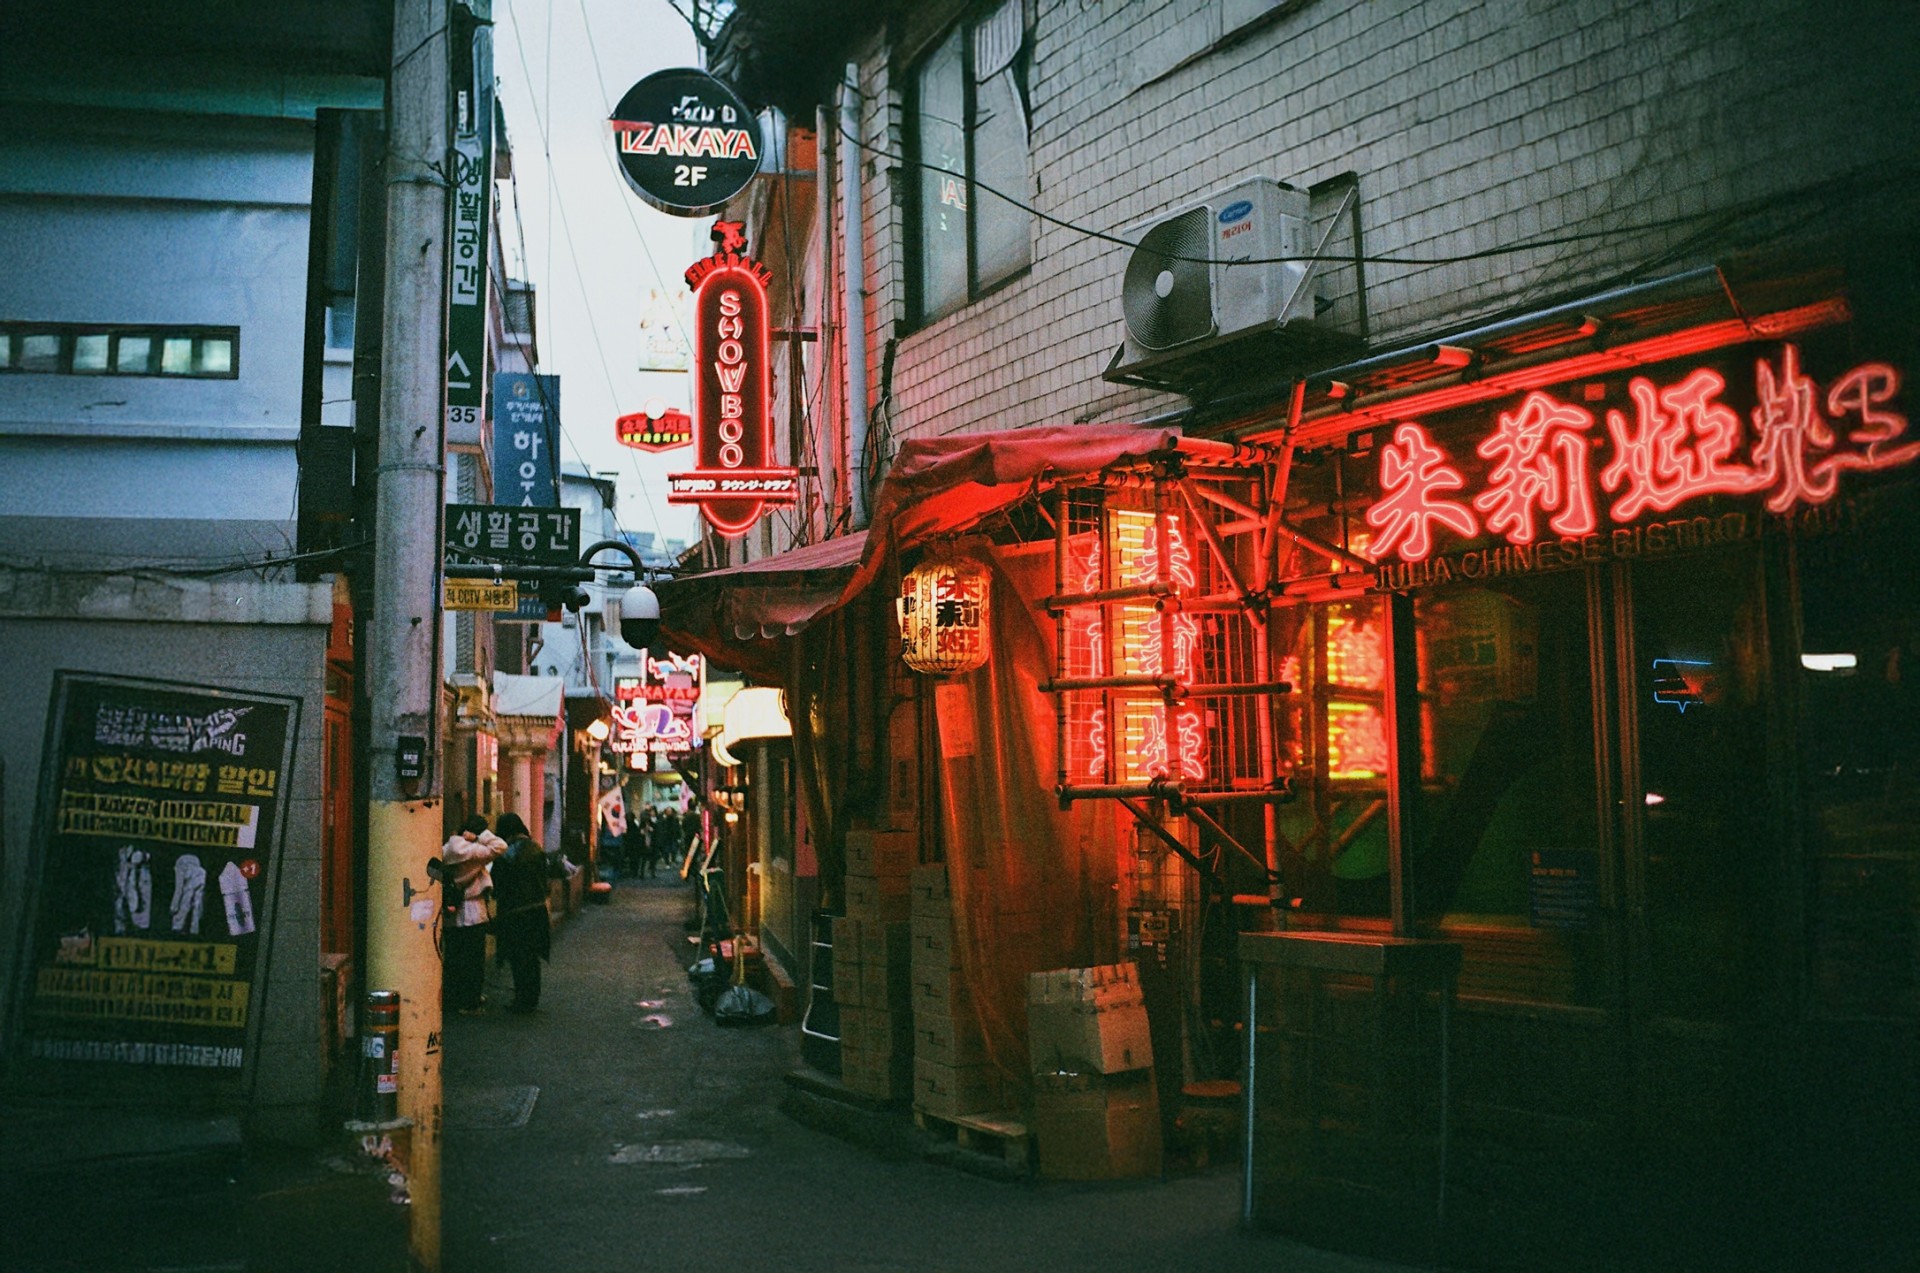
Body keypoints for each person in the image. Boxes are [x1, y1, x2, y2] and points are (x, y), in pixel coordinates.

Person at [490, 811, 563, 1013]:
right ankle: (532, 997)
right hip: (537, 910)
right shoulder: (536, 849)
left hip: (516, 912)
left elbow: (498, 885)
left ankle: (522, 999)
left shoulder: (506, 855)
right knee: (531, 957)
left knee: (518, 957)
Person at [439, 814, 505, 1014]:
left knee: (454, 958)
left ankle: (452, 998)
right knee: (473, 959)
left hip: (452, 913)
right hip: (473, 911)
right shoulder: (473, 851)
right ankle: (470, 1001)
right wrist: (481, 836)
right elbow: (500, 846)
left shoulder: (447, 849)